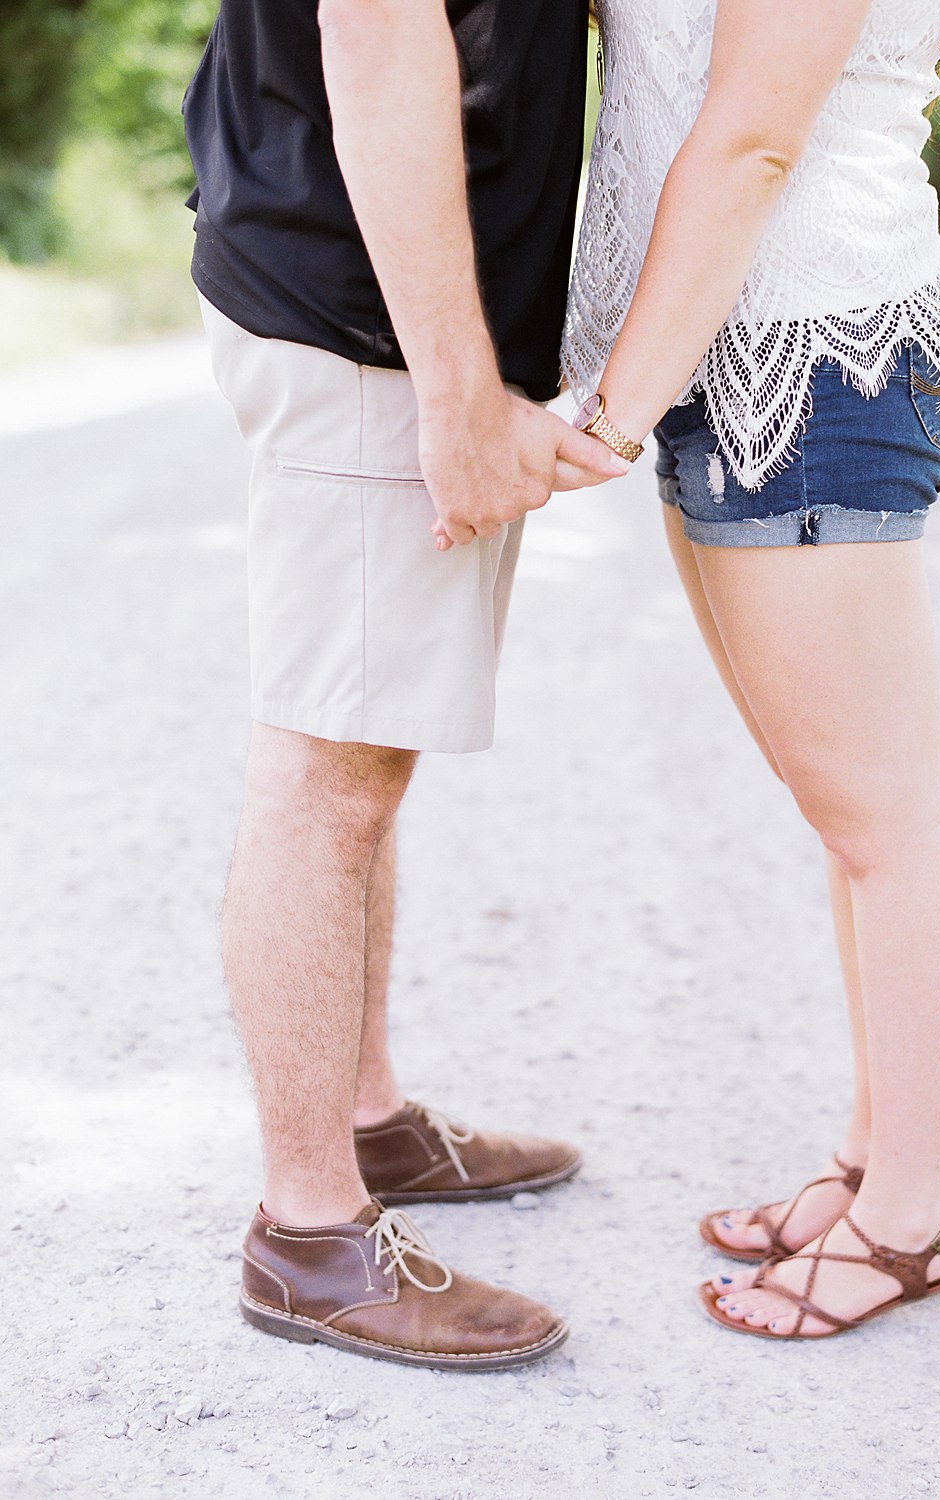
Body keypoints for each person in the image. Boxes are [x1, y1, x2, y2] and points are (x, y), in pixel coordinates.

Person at [182, 0, 626, 1372]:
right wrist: (452, 389)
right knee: (327, 772)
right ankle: (311, 1232)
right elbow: (375, 24)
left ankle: (364, 1120)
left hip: (385, 303)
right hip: (366, 314)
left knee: (367, 757)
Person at [563, 0, 940, 1338]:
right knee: (851, 820)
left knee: (889, 823)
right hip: (726, 342)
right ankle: (877, 1163)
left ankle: (910, 1222)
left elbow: (756, 140)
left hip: (814, 355)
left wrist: (603, 414)